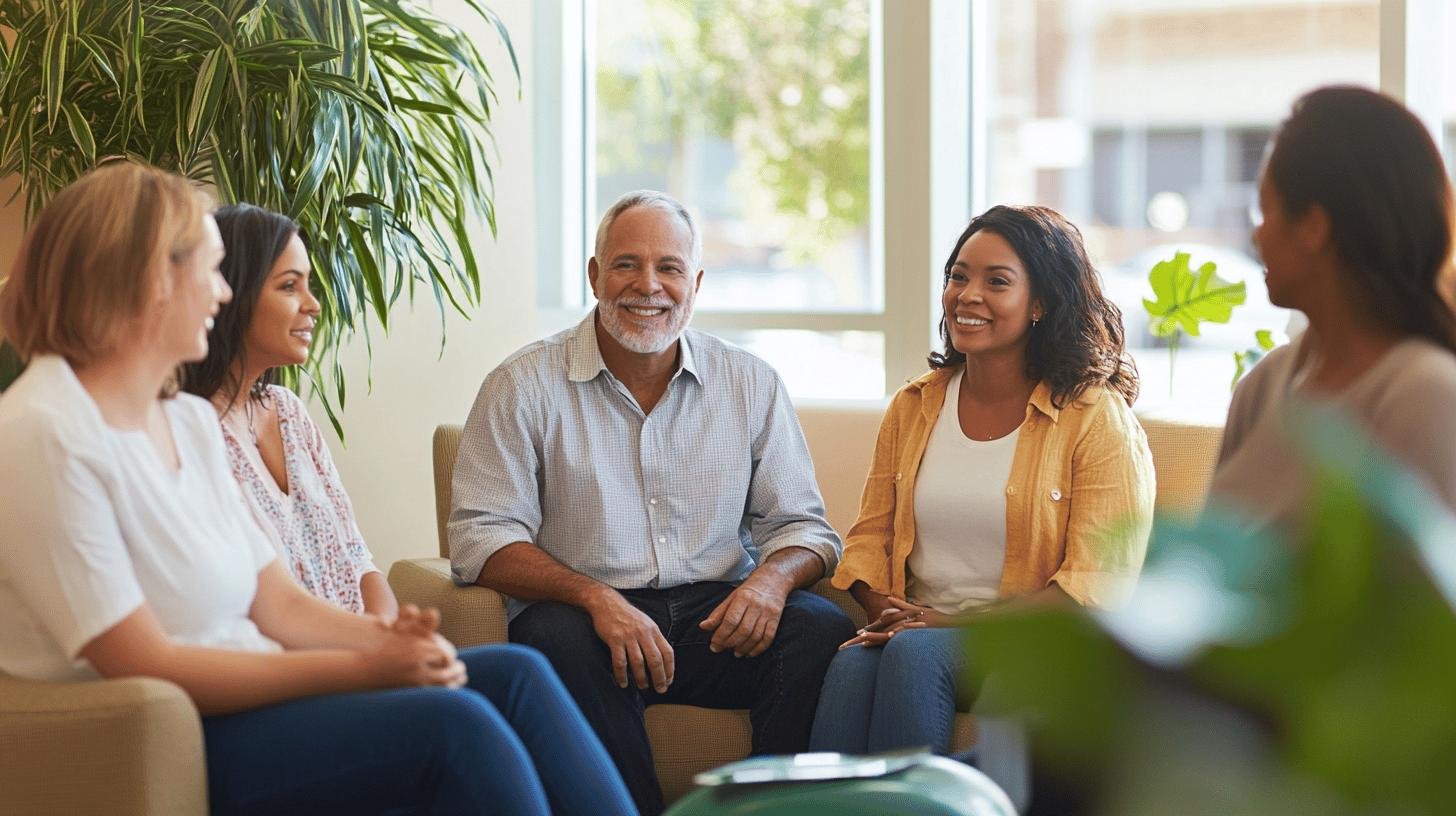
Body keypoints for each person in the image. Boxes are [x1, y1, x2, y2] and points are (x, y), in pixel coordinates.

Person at [0, 162, 636, 816]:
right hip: (187, 732)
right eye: (210, 274)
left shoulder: (184, 422)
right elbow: (148, 660)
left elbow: (277, 604)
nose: (223, 297)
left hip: (261, 698)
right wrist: (365, 669)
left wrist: (390, 643)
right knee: (456, 732)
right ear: (149, 279)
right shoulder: (43, 434)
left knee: (518, 677)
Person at [448, 189, 856, 815]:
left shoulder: (750, 382)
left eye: (668, 268)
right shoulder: (521, 384)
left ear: (695, 282)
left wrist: (772, 581)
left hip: (714, 622)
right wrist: (595, 598)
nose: (649, 286)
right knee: (551, 637)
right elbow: (481, 536)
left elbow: (804, 526)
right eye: (626, 264)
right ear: (594, 275)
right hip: (586, 622)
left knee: (820, 626)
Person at [809, 205, 1154, 764]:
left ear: (1040, 303)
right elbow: (868, 540)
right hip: (919, 634)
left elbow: (1098, 587)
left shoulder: (1094, 416)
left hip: (1033, 648)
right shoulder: (915, 405)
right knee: (851, 665)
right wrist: (891, 614)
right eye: (958, 276)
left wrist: (942, 624)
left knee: (914, 656)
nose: (967, 294)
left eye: (997, 281)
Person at [1210, 86, 1456, 530]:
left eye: (1265, 213)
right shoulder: (1263, 387)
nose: (1256, 237)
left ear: (1313, 227)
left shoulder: (1427, 398)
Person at [180, 204, 395, 618]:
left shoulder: (289, 411)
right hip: (305, 663)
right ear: (233, 294)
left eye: (308, 285)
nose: (313, 305)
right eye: (289, 287)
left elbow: (359, 557)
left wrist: (388, 634)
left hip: (368, 649)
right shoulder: (192, 429)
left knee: (516, 664)